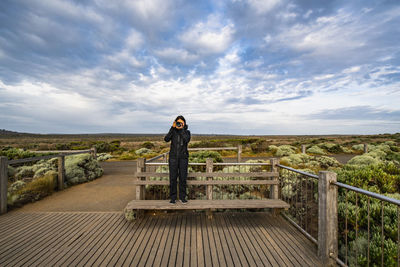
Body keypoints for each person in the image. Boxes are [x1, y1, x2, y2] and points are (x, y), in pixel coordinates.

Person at [164, 115, 191, 204]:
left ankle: (183, 197)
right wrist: (172, 128)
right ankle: (173, 198)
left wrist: (182, 129)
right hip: (173, 158)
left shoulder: (187, 132)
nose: (179, 124)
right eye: (178, 122)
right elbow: (166, 139)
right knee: (173, 178)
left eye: (181, 123)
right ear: (175, 122)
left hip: (183, 158)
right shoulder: (173, 132)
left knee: (183, 178)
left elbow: (186, 140)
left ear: (184, 123)